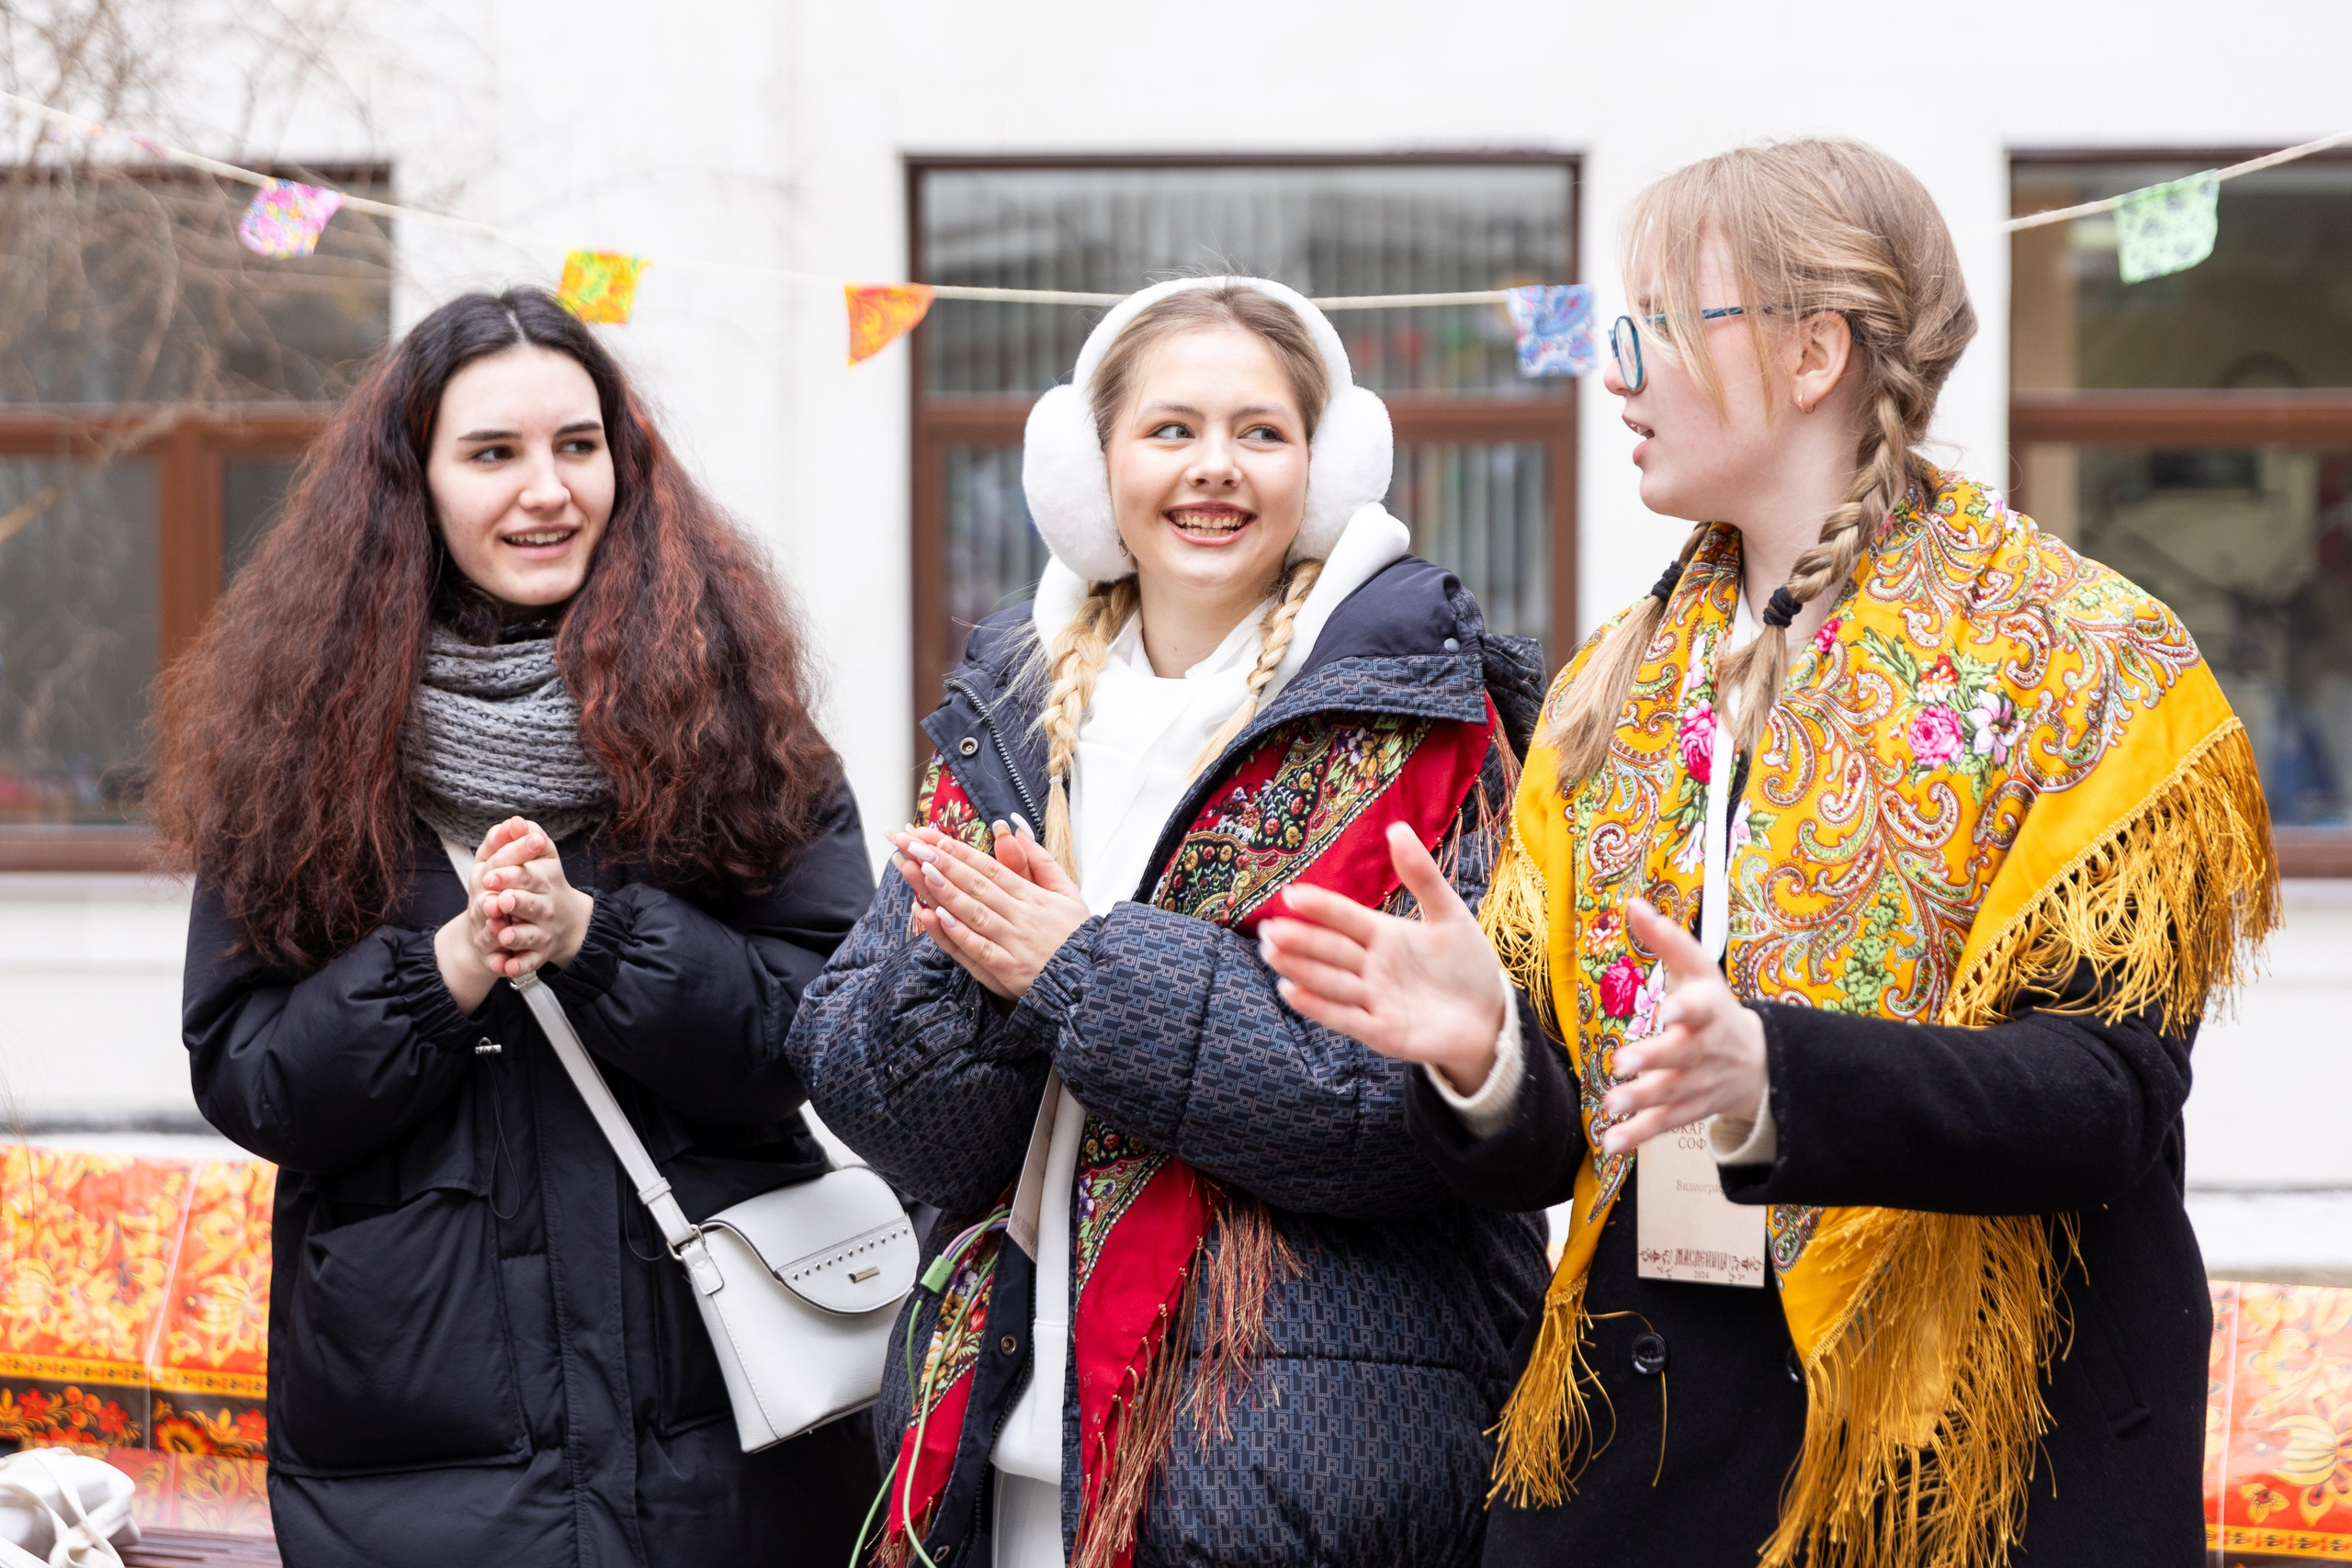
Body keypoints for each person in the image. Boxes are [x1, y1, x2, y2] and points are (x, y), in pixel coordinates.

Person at [1261, 140, 2279, 1568]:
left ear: (1814, 354)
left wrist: (1776, 1077)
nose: (1617, 374)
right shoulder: (1615, 679)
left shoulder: (2088, 658)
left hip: (1979, 1472)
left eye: (1658, 329)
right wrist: (1485, 1050)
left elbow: (2104, 1095)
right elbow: (1566, 1137)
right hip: (1663, 1443)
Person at [789, 277, 1550, 1568]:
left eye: (1261, 432)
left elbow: (1401, 1122)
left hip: (1285, 1473)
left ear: (1323, 467)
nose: (1216, 471)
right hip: (1003, 1456)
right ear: (1094, 470)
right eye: (1171, 430)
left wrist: (1073, 968)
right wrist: (991, 987)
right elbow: (879, 1099)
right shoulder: (1010, 718)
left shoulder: (1430, 727)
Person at [149, 288, 879, 1567]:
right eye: (493, 454)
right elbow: (252, 1076)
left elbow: (824, 1029)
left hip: (727, 1442)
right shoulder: (298, 753)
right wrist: (445, 971)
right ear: (413, 485)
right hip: (424, 1457)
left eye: (578, 446)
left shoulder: (742, 728)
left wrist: (601, 942)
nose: (547, 490)